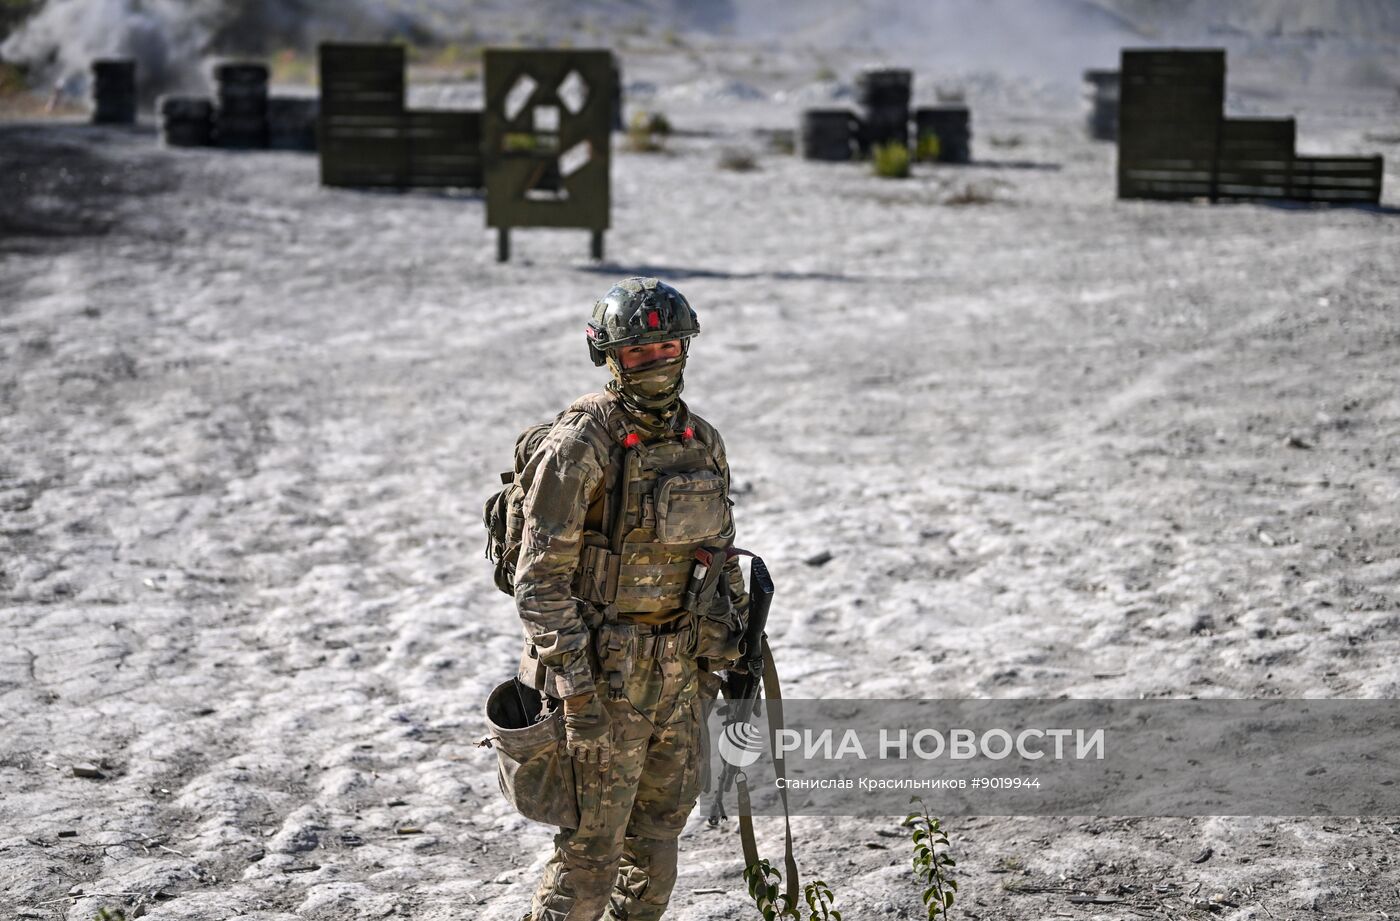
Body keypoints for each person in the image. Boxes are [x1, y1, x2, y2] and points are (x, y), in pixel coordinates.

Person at [512, 277, 749, 921]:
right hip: (601, 673)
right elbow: (540, 582)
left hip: (682, 670)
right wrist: (576, 690)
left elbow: (721, 554)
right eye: (640, 351)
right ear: (610, 356)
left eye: (669, 346)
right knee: (591, 849)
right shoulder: (579, 445)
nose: (658, 360)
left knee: (658, 841)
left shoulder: (702, 441)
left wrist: (732, 650)